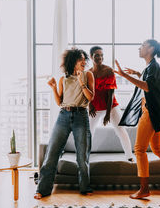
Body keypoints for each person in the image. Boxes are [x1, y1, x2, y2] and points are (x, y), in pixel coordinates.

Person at [114, 39, 160, 199]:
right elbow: (149, 82)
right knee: (157, 148)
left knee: (139, 149)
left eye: (142, 45)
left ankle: (144, 189)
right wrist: (138, 73)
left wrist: (124, 75)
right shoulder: (150, 67)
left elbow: (147, 86)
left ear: (151, 49)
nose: (139, 47)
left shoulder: (154, 67)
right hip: (155, 111)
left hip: (151, 112)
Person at [34, 48, 95, 199]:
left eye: (84, 59)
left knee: (82, 156)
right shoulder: (64, 79)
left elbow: (90, 97)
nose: (83, 62)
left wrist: (81, 83)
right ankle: (43, 189)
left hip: (81, 115)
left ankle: (85, 187)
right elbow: (59, 101)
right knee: (52, 153)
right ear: (72, 62)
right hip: (63, 116)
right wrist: (54, 88)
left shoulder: (88, 75)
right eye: (80, 59)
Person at [88, 46, 134, 161]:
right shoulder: (88, 73)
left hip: (111, 105)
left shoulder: (109, 71)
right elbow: (86, 92)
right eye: (97, 55)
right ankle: (85, 157)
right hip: (95, 107)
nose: (100, 57)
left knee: (121, 131)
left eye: (101, 55)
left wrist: (108, 113)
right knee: (88, 132)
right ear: (91, 57)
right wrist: (90, 105)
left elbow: (111, 94)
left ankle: (129, 157)